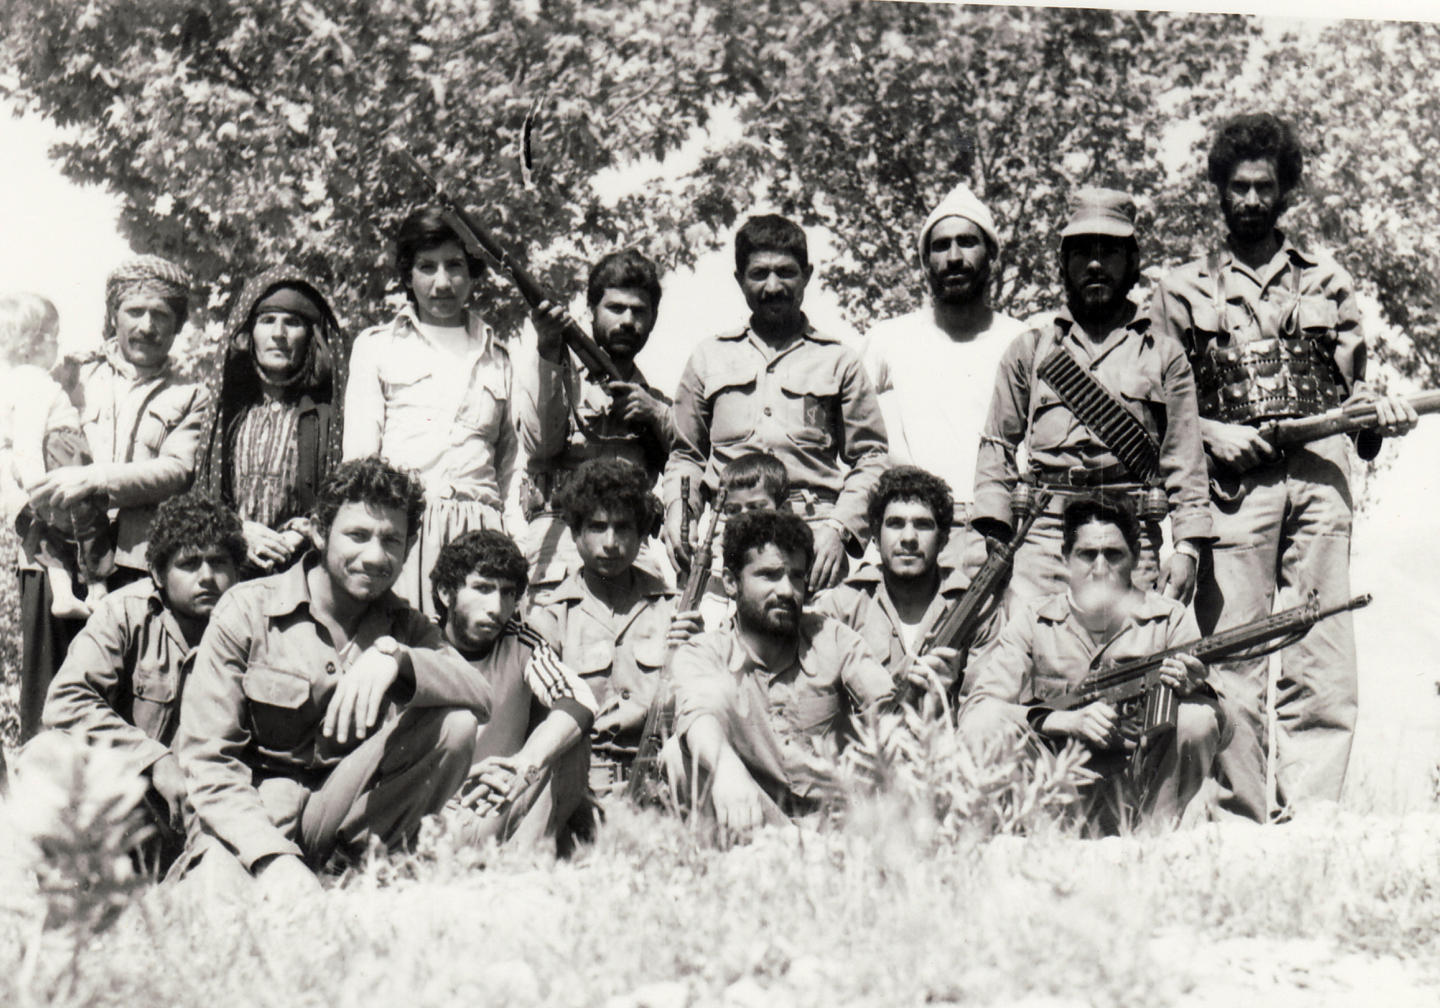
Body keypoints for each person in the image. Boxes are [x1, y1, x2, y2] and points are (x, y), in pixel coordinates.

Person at [1149, 113, 1418, 820]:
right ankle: (1238, 818)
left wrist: (1378, 415)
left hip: (1320, 478)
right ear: (1219, 190)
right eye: (1237, 187)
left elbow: (1355, 392)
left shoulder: (1328, 280)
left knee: (1321, 645)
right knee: (1233, 651)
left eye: (1263, 187)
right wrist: (1211, 434)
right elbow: (1158, 402)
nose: (1249, 200)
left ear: (1284, 192)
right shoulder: (1179, 289)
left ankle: (1313, 819)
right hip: (1234, 489)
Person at [175, 457, 493, 893]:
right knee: (223, 908)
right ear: (320, 532)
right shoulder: (247, 609)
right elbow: (209, 760)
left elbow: (480, 694)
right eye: (358, 535)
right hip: (254, 812)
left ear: (409, 547)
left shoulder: (405, 626)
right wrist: (272, 858)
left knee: (455, 724)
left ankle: (363, 876)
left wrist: (395, 659)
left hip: (345, 820)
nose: (375, 557)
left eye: (392, 540)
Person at [972, 188, 1212, 609]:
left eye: (1110, 252)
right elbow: (996, 447)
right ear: (1063, 264)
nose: (1095, 265)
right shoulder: (1030, 351)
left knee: (1129, 648)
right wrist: (996, 530)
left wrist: (1187, 548)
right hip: (1043, 535)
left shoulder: (1163, 355)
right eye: (1082, 252)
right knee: (1035, 646)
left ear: (1133, 262)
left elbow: (1185, 460)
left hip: (1130, 532)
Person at [17, 256, 212, 741]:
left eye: (161, 315)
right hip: (55, 561)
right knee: (47, 704)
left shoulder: (191, 396)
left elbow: (177, 469)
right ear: (113, 315)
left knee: (120, 711)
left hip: (132, 567)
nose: (146, 326)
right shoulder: (71, 372)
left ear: (177, 325)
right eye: (134, 311)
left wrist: (96, 479)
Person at [664, 510, 950, 831]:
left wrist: (918, 695)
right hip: (754, 820)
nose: (787, 590)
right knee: (679, 755)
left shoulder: (833, 637)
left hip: (836, 826)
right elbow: (698, 715)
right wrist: (725, 767)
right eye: (769, 576)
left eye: (796, 576)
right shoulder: (705, 652)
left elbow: (885, 706)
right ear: (731, 582)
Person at [960, 495, 1228, 832]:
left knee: (1197, 716)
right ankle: (1037, 840)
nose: (1100, 569)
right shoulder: (1033, 620)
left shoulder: (1169, 619)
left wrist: (1194, 688)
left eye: (1113, 555)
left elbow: (1222, 727)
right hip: (1055, 789)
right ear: (1065, 557)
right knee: (984, 722)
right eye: (1087, 555)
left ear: (1136, 557)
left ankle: (1156, 843)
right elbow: (977, 711)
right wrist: (1062, 721)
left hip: (1143, 788)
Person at [663, 214, 889, 594]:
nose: (772, 286)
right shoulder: (708, 357)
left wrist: (839, 529)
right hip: (725, 537)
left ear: (807, 275)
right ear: (739, 279)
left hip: (813, 538)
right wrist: (678, 513)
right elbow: (686, 455)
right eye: (759, 274)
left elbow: (871, 457)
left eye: (785, 272)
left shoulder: (839, 361)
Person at [32, 494, 244, 870]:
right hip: (137, 801)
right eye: (189, 564)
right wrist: (154, 758)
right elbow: (66, 700)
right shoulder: (124, 613)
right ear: (158, 575)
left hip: (218, 806)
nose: (207, 577)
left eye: (219, 562)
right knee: (43, 756)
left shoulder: (257, 624)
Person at [344, 207, 523, 616]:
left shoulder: (500, 358)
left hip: (482, 534)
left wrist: (516, 543)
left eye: (455, 265)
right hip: (405, 531)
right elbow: (360, 462)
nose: (442, 282)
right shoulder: (377, 347)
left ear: (472, 272)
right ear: (408, 275)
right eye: (427, 266)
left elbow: (512, 467)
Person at [860, 184, 1029, 572]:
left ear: (992, 256)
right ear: (925, 261)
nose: (954, 257)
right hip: (919, 529)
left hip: (1002, 529)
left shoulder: (1022, 339)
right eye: (941, 246)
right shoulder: (889, 337)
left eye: (967, 242)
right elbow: (851, 432)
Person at [527, 459, 700, 792]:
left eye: (623, 528)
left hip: (661, 785)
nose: (610, 542)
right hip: (581, 788)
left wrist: (697, 651)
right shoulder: (550, 620)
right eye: (597, 527)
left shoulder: (674, 610)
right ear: (574, 533)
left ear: (640, 534)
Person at [429, 530, 597, 853]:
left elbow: (579, 698)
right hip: (432, 812)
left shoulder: (520, 641)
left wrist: (525, 764)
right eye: (482, 588)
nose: (496, 607)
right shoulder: (421, 642)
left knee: (570, 741)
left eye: (508, 593)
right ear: (446, 592)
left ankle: (521, 869)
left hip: (500, 805)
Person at [519, 249, 677, 589]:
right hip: (559, 539)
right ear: (591, 311)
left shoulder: (658, 404)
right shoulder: (558, 372)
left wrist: (656, 414)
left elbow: (693, 460)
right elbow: (540, 446)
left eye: (639, 311)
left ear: (653, 319)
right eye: (615, 308)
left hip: (631, 546)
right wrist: (548, 349)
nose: (627, 321)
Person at [197, 267, 349, 578]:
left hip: (303, 570)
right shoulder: (227, 416)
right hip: (230, 567)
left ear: (310, 337)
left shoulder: (328, 418)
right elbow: (206, 498)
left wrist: (299, 534)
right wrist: (238, 531)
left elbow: (341, 497)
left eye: (292, 323)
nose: (278, 334)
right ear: (249, 333)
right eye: (267, 321)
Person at [812, 466, 975, 696]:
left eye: (923, 525)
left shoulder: (974, 607)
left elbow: (987, 698)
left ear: (943, 540)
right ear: (876, 538)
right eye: (896, 524)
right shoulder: (842, 608)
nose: (909, 538)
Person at [0, 293, 112, 622]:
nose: (58, 346)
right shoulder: (34, 384)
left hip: (44, 462)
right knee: (88, 523)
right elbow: (29, 437)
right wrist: (38, 486)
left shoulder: (15, 380)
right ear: (31, 344)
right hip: (60, 457)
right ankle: (98, 590)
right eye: (54, 338)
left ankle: (63, 595)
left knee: (51, 539)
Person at [695, 452, 791, 632]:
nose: (745, 518)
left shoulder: (794, 564)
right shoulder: (719, 569)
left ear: (783, 510)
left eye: (756, 508)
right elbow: (711, 621)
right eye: (733, 510)